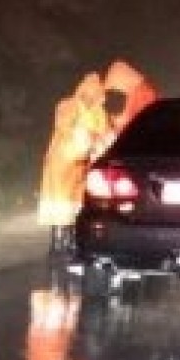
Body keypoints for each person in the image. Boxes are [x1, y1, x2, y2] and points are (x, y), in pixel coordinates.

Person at [37, 72, 109, 254]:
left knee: (75, 202)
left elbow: (105, 133)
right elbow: (64, 127)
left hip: (81, 164)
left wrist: (98, 142)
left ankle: (70, 239)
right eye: (96, 95)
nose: (99, 99)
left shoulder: (98, 112)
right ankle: (56, 240)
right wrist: (86, 136)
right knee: (59, 201)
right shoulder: (68, 105)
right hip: (62, 160)